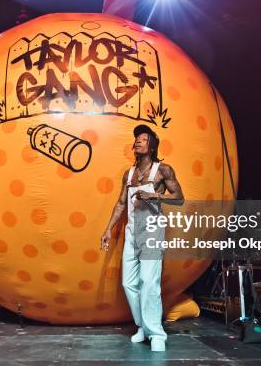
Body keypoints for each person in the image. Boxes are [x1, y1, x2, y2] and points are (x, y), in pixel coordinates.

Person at [100, 124, 184, 352]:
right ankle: (142, 327)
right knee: (129, 282)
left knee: (149, 282)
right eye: (136, 138)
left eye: (143, 139)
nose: (137, 141)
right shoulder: (129, 174)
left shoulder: (162, 170)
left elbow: (179, 198)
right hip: (131, 231)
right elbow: (120, 204)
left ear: (152, 145)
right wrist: (108, 229)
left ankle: (156, 333)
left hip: (152, 231)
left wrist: (154, 196)